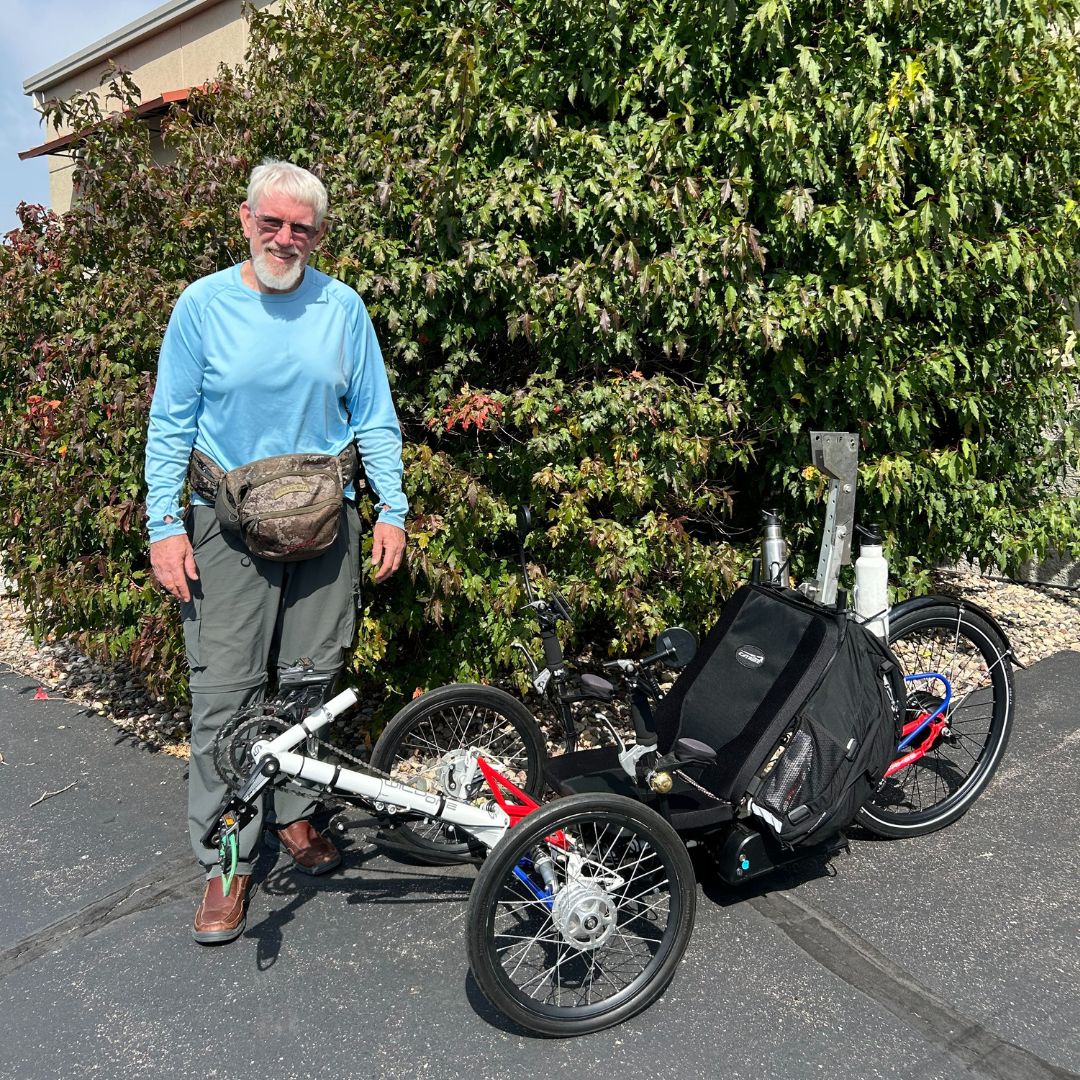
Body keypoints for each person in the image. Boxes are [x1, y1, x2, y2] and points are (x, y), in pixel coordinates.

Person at [145, 159, 407, 944]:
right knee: (225, 692)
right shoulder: (203, 306)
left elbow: (375, 416)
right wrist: (164, 525)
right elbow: (170, 422)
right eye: (273, 222)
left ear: (318, 234)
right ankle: (228, 856)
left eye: (302, 228)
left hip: (327, 526)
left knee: (310, 679)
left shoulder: (342, 307)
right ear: (245, 219)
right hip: (227, 530)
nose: (285, 238)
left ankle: (294, 814)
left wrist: (391, 508)